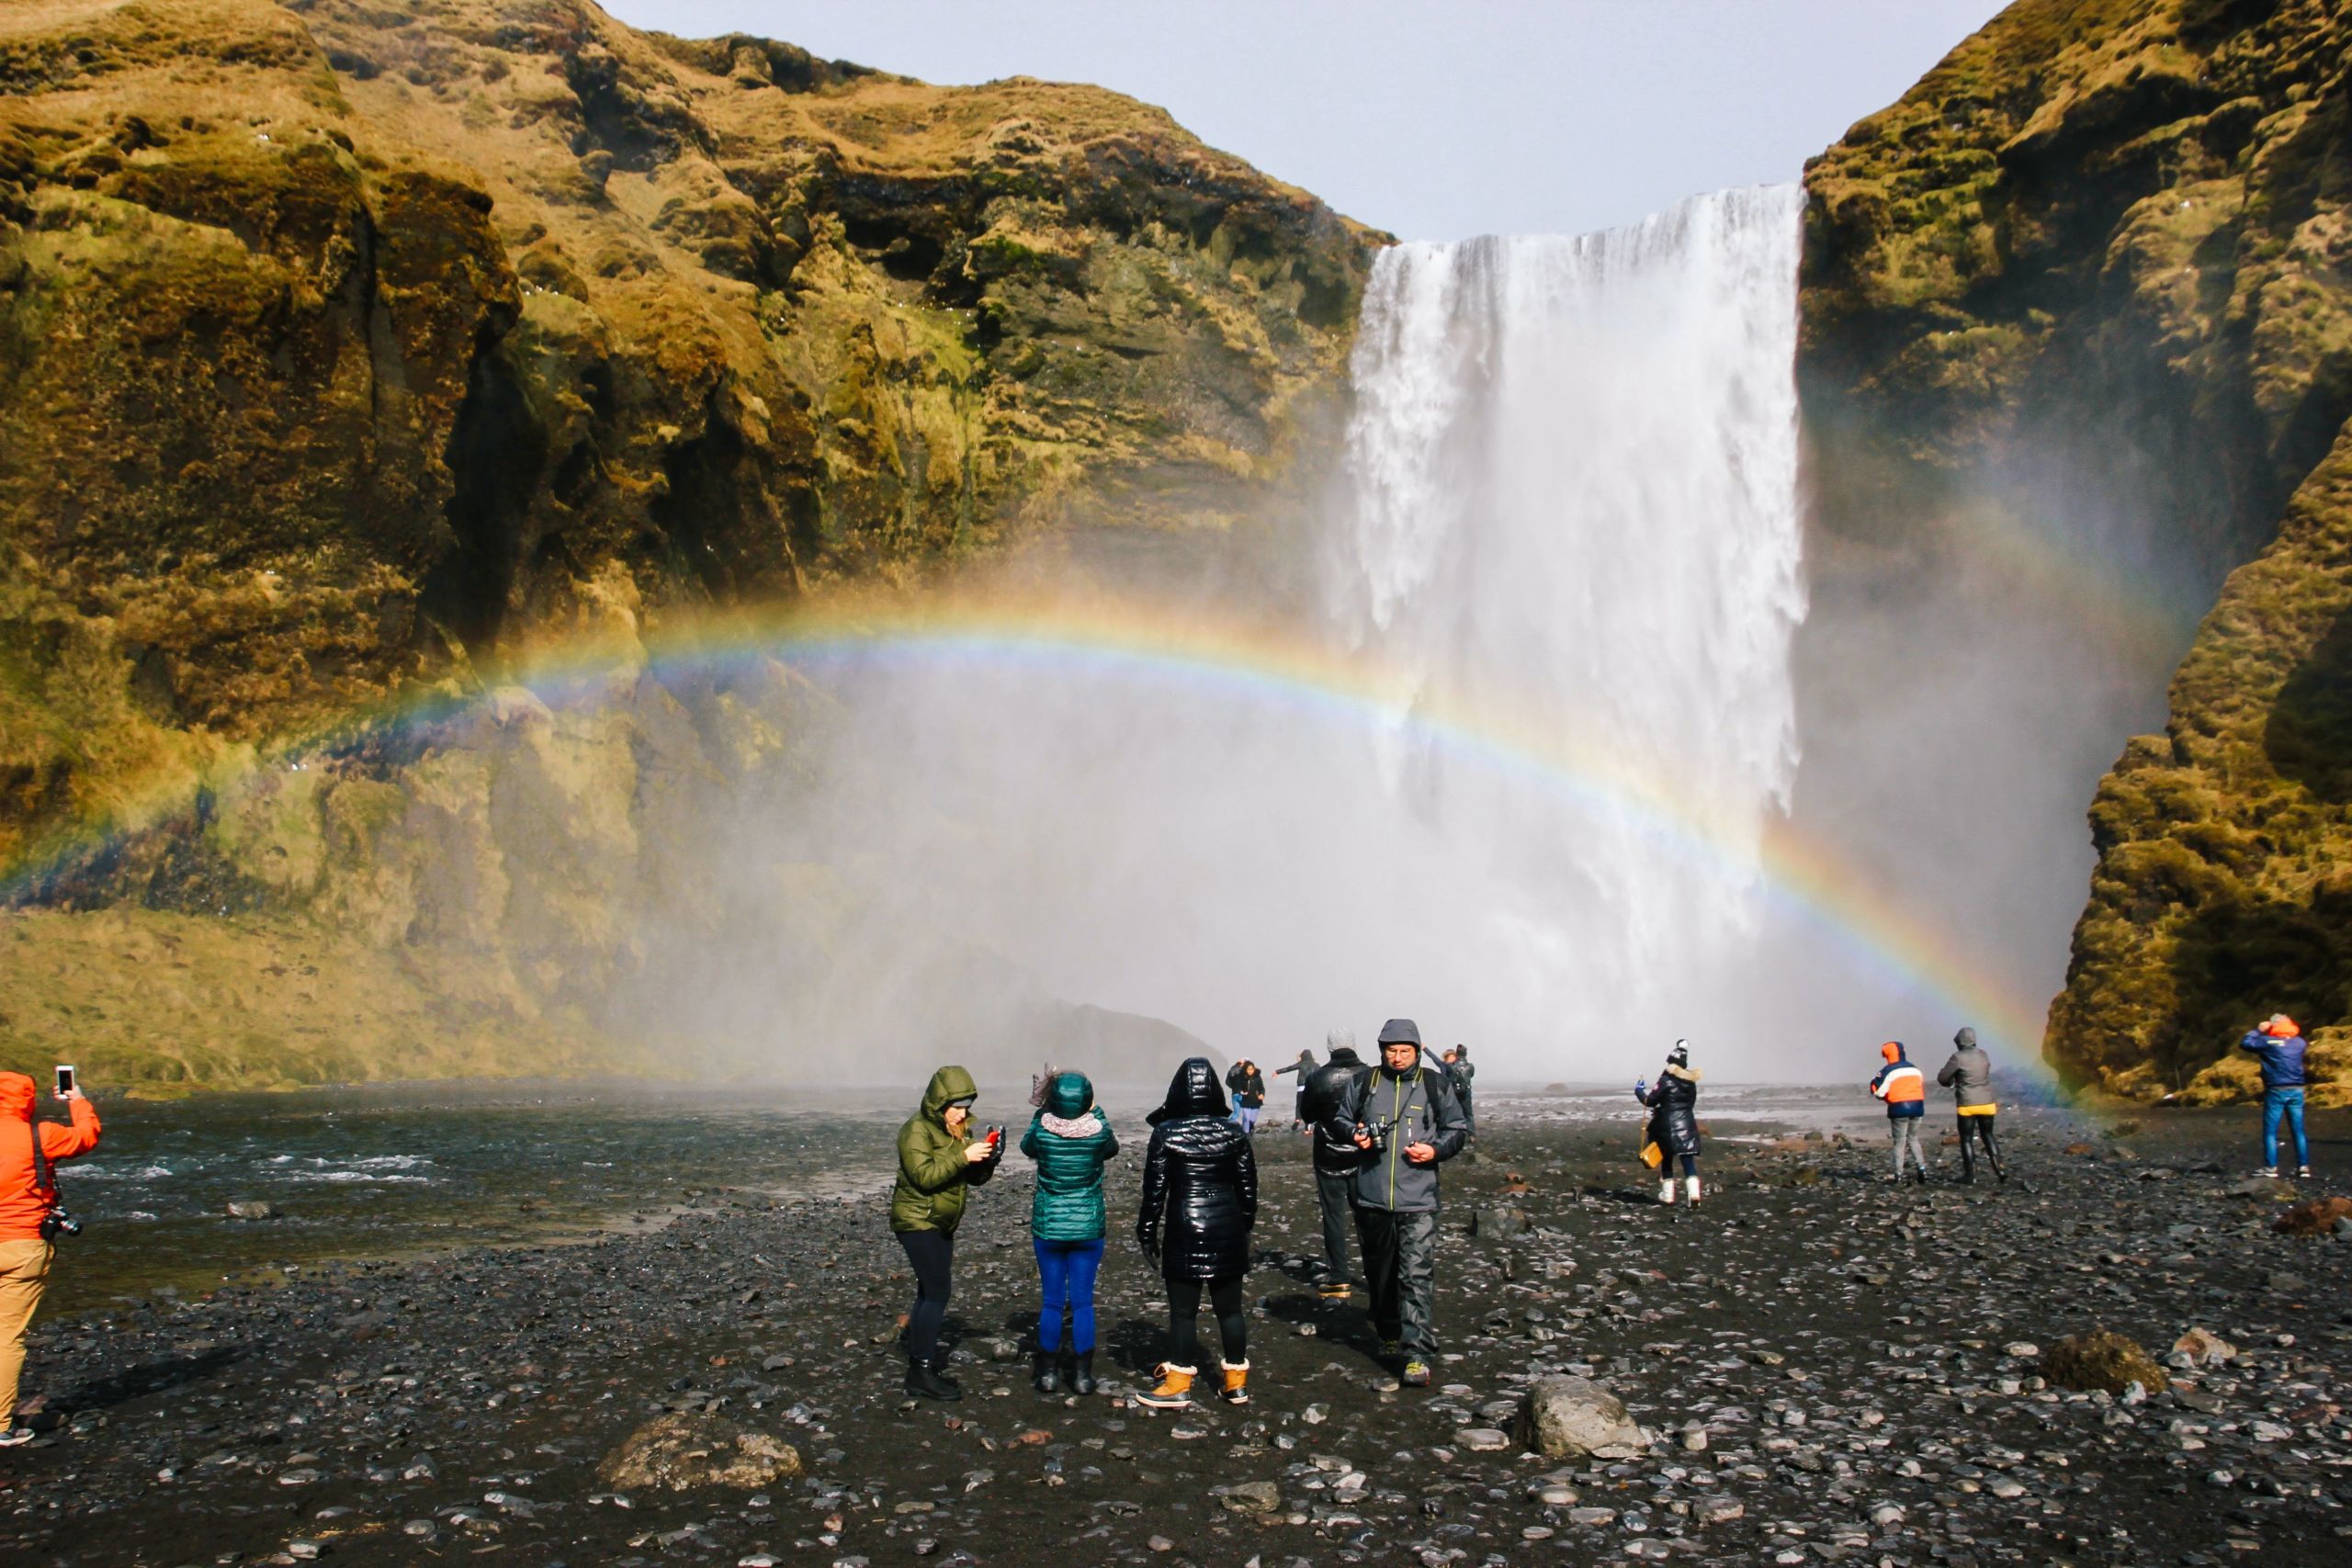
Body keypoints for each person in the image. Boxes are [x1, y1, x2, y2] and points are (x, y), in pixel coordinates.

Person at [1330, 1019, 1467, 1388]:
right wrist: (1354, 1134)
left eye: (1405, 1050)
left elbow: (1458, 1128)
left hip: (1419, 1199)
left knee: (1416, 1274)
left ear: (1418, 1051)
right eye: (1391, 1050)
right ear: (1382, 1051)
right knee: (1381, 1271)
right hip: (1371, 1197)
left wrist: (1435, 1150)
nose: (1398, 1057)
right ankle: (1389, 1329)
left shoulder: (1436, 1086)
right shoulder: (1364, 1083)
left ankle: (1417, 1354)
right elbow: (1340, 1119)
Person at [1137, 1057, 1258, 1408]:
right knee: (1231, 1311)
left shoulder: (1166, 1133)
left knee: (1183, 1312)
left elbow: (1154, 1191)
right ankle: (1236, 1384)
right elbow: (1248, 1188)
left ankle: (1177, 1383)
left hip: (1184, 1227)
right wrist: (1243, 1226)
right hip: (1228, 1225)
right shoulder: (1234, 1132)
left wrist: (1147, 1233)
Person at [889, 1066, 1000, 1401]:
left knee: (929, 1293)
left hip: (940, 1222)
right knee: (937, 1293)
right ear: (939, 1102)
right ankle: (920, 1371)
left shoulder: (958, 1130)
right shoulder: (916, 1131)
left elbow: (971, 1179)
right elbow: (924, 1176)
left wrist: (987, 1160)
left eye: (966, 1106)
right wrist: (963, 1154)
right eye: (956, 1106)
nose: (963, 1113)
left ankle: (921, 1366)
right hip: (917, 1220)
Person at [2, 1070, 99, 1447]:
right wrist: (77, 1099)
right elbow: (87, 1136)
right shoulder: (41, 1134)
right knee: (6, 1337)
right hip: (24, 1245)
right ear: (27, 1100)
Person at [1022, 1070, 1117, 1395]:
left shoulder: (1044, 1130)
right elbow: (1112, 1149)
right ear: (1088, 1100)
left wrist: (1041, 1111)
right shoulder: (1099, 1130)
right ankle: (1082, 1376)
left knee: (1051, 1302)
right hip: (1088, 1228)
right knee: (1082, 1302)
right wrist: (1097, 1111)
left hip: (1049, 1227)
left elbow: (1026, 1147)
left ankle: (1047, 1374)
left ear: (1053, 1100)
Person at [1299, 1031, 1369, 1299]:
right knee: (1367, 1218)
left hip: (1329, 1155)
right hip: (1364, 1154)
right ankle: (1375, 1276)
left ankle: (1339, 1277)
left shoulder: (1318, 1077)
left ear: (1329, 1048)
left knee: (1333, 1218)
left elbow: (1307, 1114)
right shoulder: (1370, 1075)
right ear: (1353, 1045)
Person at [2241, 1013, 2311, 1178]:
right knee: (2298, 1130)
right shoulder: (2300, 1043)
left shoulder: (2267, 1042)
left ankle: (2271, 1167)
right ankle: (2303, 1167)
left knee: (2271, 1131)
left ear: (2273, 1026)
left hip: (2276, 1089)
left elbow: (2245, 1044)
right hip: (2297, 1088)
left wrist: (2258, 1030)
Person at [1637, 1039, 1702, 1207]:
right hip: (1687, 1125)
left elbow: (1649, 1101)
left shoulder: (1665, 1081)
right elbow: (1690, 1104)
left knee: (1666, 1159)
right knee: (1688, 1160)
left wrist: (1639, 1090)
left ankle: (1668, 1196)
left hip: (1667, 1127)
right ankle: (1694, 1196)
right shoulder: (1691, 1083)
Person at [1936, 1026, 2006, 1183]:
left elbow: (1943, 1078)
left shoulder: (1958, 1057)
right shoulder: (1983, 1054)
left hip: (1967, 1103)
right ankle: (2000, 1169)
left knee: (1966, 1139)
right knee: (1988, 1135)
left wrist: (1952, 1081)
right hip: (1987, 1102)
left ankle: (1970, 1175)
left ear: (1959, 1041)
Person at [1871, 1041, 1932, 1185]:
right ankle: (1922, 1169)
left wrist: (1874, 1086)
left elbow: (1880, 1092)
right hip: (1918, 1107)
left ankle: (1899, 1174)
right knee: (1914, 1139)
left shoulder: (1888, 1071)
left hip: (1899, 1108)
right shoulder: (1915, 1069)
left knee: (1899, 1142)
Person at [1273, 1046, 1317, 1130]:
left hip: (1301, 1088)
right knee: (1309, 1107)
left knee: (1299, 1105)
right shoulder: (1316, 1065)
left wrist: (1277, 1072)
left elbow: (1289, 1068)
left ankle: (1297, 1119)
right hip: (1311, 1089)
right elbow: (1321, 1074)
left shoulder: (1301, 1063)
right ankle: (1308, 1126)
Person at [1225, 1058, 1267, 1135]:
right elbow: (1239, 1085)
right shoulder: (1242, 1076)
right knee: (1246, 1117)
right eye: (1248, 1069)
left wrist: (1262, 1094)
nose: (1250, 1071)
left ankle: (1228, 1126)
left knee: (1248, 1118)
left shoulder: (1257, 1078)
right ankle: (1246, 1133)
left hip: (1251, 1100)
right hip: (1243, 1099)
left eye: (1251, 1069)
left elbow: (1262, 1088)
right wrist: (1240, 1091)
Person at [1443, 1044, 1477, 1136]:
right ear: (1465, 1054)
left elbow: (1447, 1076)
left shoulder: (1451, 1066)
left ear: (1457, 1054)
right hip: (1466, 1092)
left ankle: (1456, 1132)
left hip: (1454, 1092)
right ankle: (1471, 1134)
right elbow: (1471, 1075)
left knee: (1454, 1112)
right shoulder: (1470, 1066)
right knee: (1468, 1114)